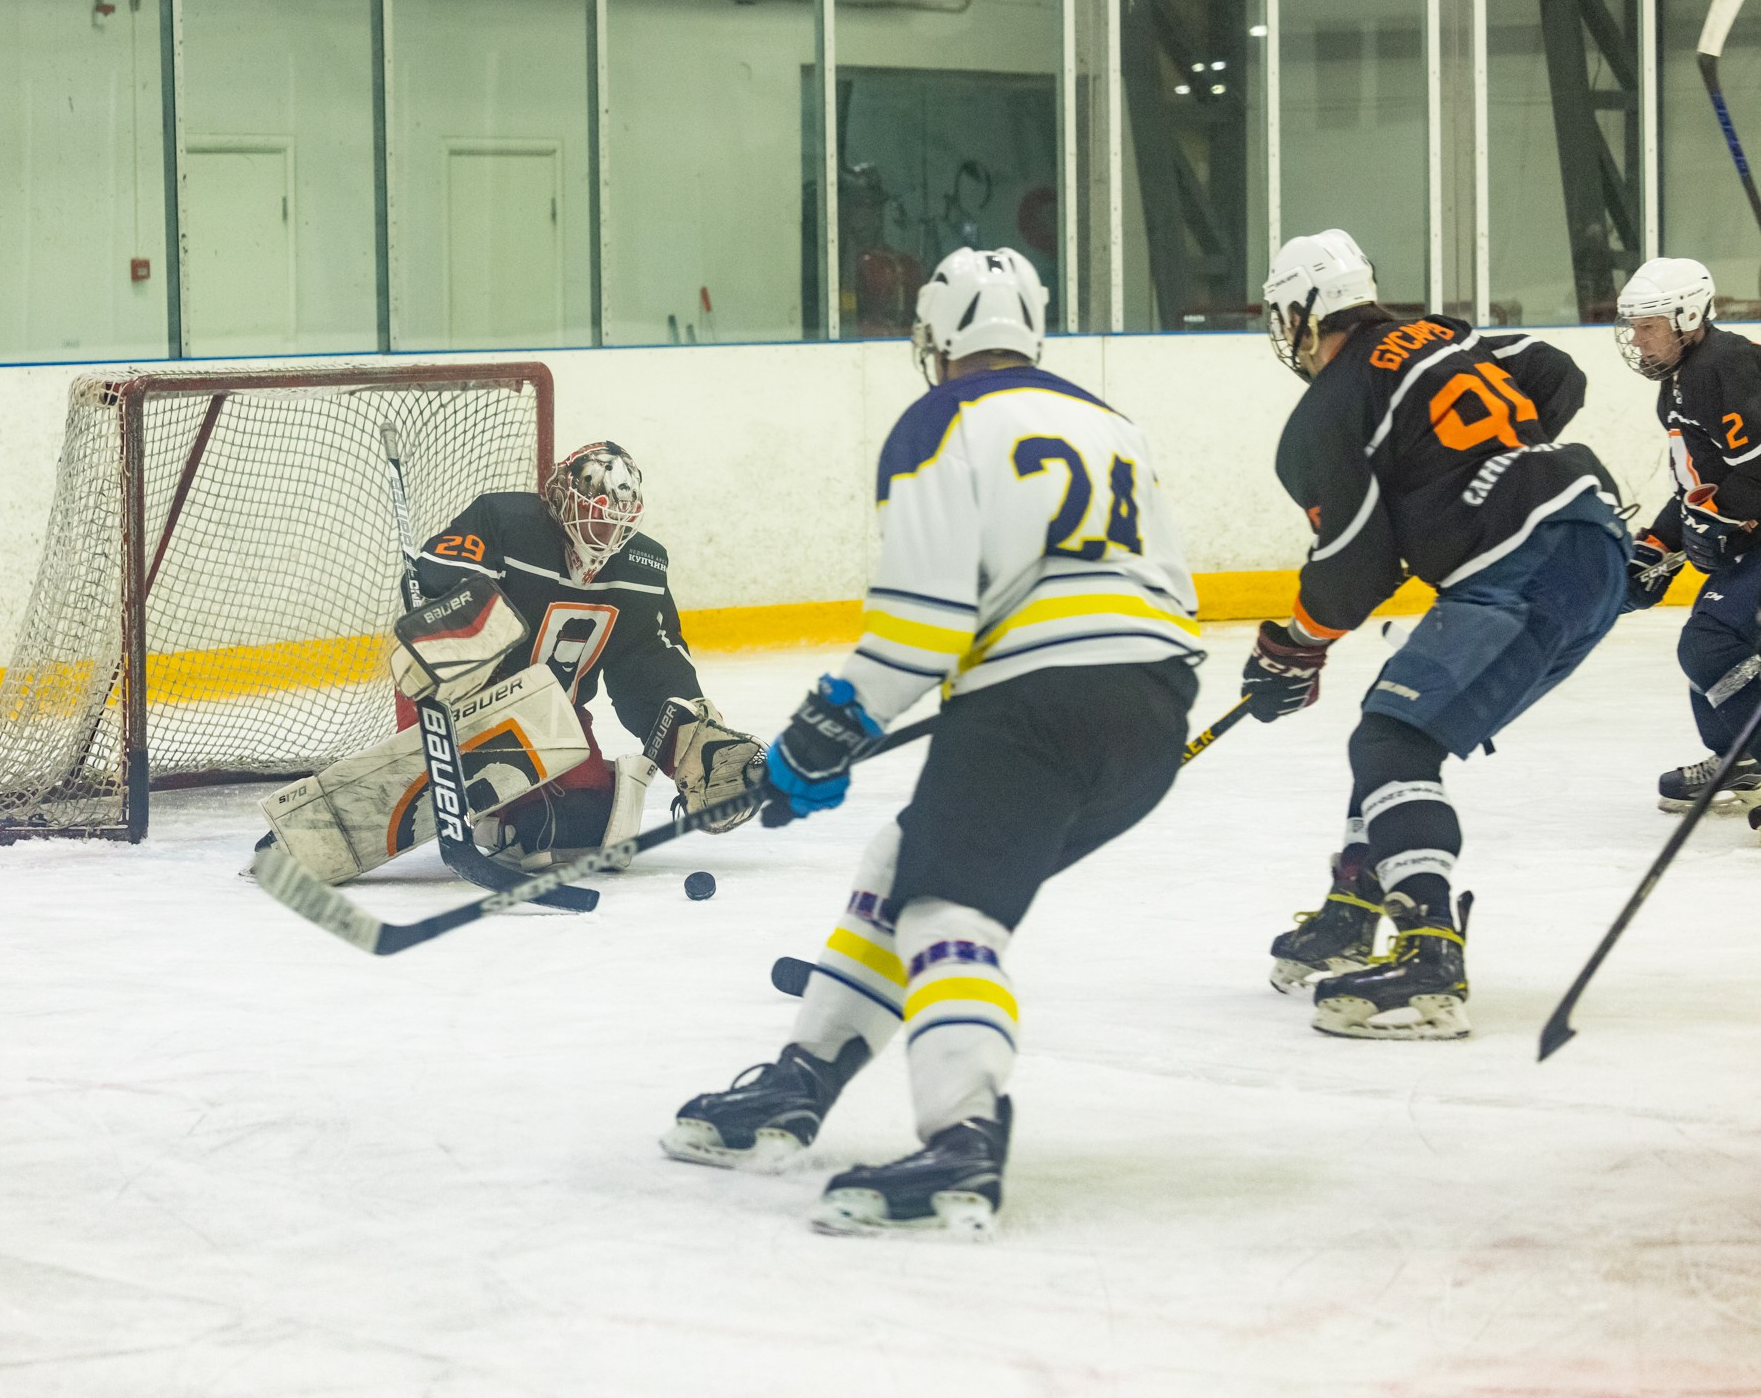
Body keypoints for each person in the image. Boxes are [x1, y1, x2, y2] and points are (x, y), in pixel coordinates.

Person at [659, 246, 1204, 1236]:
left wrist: (819, 735)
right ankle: (802, 1078)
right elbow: (1170, 594)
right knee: (902, 858)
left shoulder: (939, 419)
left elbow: (920, 628)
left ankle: (962, 1139)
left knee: (945, 906)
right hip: (1153, 710)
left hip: (1035, 704)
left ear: (935, 338)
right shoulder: (1111, 422)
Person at [1250, 229, 1628, 1038]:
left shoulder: (1323, 412)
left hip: (1521, 562)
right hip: (1592, 536)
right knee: (1399, 722)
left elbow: (1353, 567)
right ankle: (1357, 905)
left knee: (1392, 740)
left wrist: (1294, 643)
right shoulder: (1446, 335)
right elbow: (1553, 370)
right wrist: (1488, 459)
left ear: (1302, 316)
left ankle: (1428, 950)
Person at [261, 442, 766, 883]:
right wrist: (444, 631)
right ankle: (480, 798)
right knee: (483, 632)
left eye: (616, 520)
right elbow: (446, 579)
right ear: (564, 497)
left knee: (583, 828)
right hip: (452, 698)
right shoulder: (504, 521)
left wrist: (689, 736)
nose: (604, 531)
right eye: (593, 513)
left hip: (552, 728)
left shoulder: (643, 569)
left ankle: (499, 815)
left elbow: (648, 664)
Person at [1612, 257, 1761, 813]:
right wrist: (1658, 542)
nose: (1637, 338)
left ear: (1688, 316)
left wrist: (1720, 515)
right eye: (1633, 326)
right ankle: (1740, 764)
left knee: (1711, 642)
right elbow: (1700, 487)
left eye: (1648, 325)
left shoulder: (1726, 368)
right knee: (1717, 643)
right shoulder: (1679, 384)